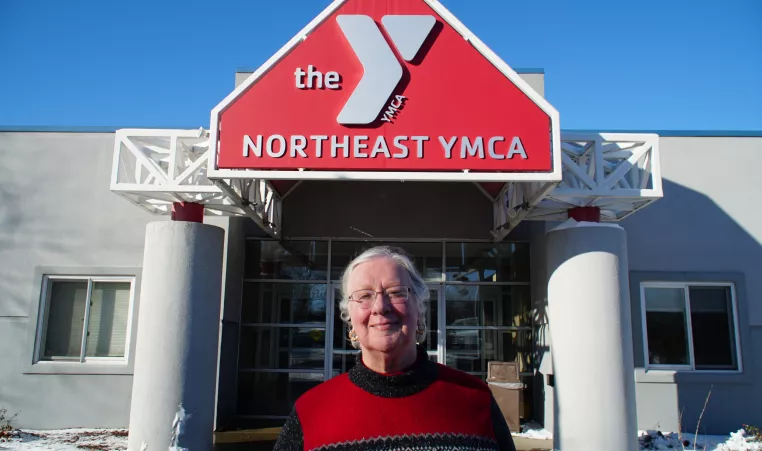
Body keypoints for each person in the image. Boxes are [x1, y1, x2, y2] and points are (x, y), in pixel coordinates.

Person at [273, 246, 517, 450]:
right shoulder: (310, 411)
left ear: (419, 311)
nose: (380, 306)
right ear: (350, 318)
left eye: (396, 292)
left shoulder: (476, 399)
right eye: (364, 296)